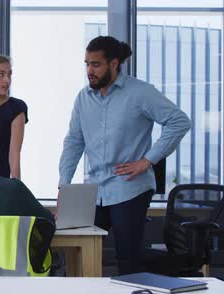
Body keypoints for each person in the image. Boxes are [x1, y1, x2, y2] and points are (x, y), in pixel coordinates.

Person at [59, 36, 191, 275]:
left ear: (114, 64)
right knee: (76, 250)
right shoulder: (83, 98)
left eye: (96, 64)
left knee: (127, 258)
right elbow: (74, 142)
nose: (90, 70)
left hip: (130, 188)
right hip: (96, 190)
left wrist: (148, 160)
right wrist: (64, 186)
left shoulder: (140, 92)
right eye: (87, 64)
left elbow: (179, 121)